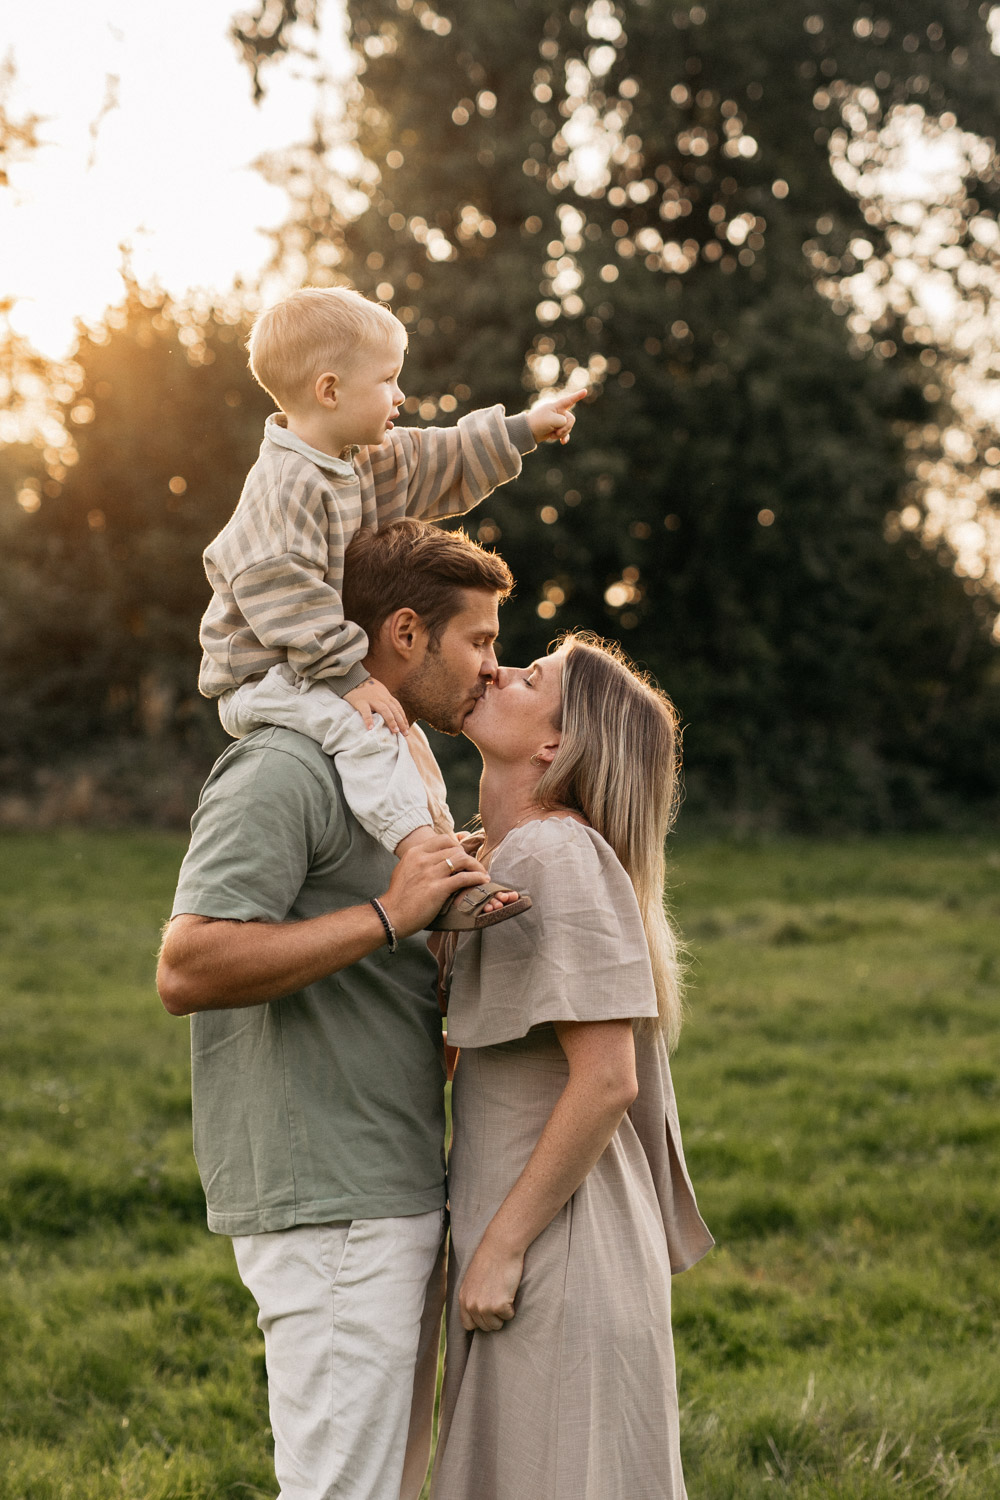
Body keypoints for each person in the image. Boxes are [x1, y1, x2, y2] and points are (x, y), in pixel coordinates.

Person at [157, 519, 522, 1500]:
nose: (493, 667)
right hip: (326, 1202)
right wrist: (387, 914)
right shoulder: (285, 766)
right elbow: (186, 965)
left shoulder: (398, 766)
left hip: (393, 1181)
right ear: (404, 632)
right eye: (479, 641)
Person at [198, 284, 586, 929]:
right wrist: (348, 676)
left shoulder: (356, 459)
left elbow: (437, 458)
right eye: (388, 380)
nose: (401, 396)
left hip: (312, 665)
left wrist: (521, 430)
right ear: (330, 390)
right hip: (267, 671)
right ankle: (427, 870)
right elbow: (279, 590)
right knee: (373, 731)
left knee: (403, 740)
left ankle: (441, 858)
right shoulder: (286, 484)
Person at [430, 633, 714, 1500]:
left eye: (529, 676)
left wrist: (501, 1251)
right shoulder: (516, 855)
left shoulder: (557, 850)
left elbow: (607, 1078)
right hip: (541, 1239)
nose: (495, 669)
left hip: (556, 1251)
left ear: (555, 746)